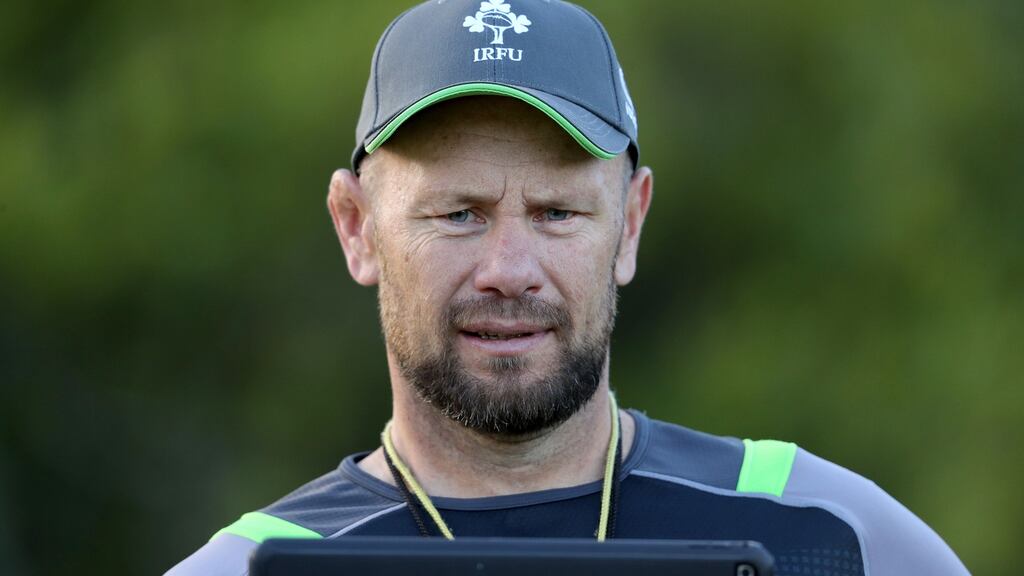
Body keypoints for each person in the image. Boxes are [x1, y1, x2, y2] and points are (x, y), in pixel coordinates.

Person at [166, 1, 969, 574]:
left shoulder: (826, 533)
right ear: (357, 227)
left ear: (629, 224)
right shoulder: (252, 566)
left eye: (556, 212)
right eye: (457, 214)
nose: (509, 270)